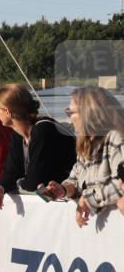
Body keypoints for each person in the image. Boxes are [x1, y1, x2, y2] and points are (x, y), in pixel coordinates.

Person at [39, 86, 124, 227]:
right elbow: (76, 179)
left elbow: (120, 184)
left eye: (70, 112)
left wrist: (88, 198)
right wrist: (63, 189)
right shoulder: (85, 143)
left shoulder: (116, 138)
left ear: (88, 114)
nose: (69, 118)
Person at [0, 83, 76, 209]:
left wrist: (19, 182)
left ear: (7, 111)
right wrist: (0, 188)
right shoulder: (18, 134)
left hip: (70, 197)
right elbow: (12, 170)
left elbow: (34, 182)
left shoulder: (43, 130)